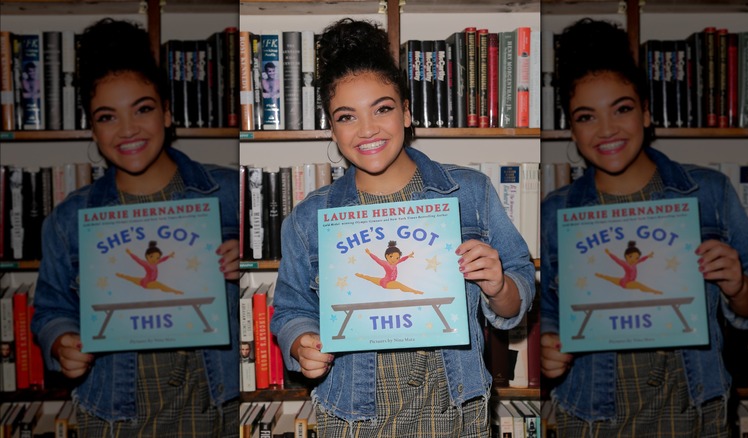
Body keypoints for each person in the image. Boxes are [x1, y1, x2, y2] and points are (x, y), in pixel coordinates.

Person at [269, 18, 536, 436]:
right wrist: (302, 342)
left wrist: (500, 286)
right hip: (353, 420)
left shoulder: (469, 193)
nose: (368, 129)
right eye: (346, 116)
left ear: (407, 112)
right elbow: (291, 309)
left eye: (383, 108)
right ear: (332, 128)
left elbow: (518, 291)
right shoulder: (307, 220)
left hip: (455, 416)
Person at [539, 18, 748, 437]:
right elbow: (555, 316)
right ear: (571, 130)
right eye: (587, 116)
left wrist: (739, 286)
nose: (607, 130)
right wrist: (552, 350)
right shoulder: (555, 212)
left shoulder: (708, 192)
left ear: (647, 112)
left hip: (695, 414)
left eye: (622, 109)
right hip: (593, 419)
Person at [31, 18, 241, 437]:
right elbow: (51, 311)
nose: (127, 130)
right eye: (107, 117)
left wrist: (250, 264)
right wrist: (62, 343)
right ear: (92, 128)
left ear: (167, 111)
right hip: (117, 419)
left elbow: (294, 284)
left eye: (142, 109)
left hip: (218, 413)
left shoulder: (230, 193)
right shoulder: (68, 221)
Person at [355, 241, 423, 295]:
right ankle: (414, 291)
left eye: (397, 258)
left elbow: (402, 259)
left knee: (370, 278)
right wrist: (369, 253)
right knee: (400, 285)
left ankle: (361, 275)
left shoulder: (395, 262)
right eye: (391, 257)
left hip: (383, 280)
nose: (394, 260)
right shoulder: (385, 264)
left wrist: (408, 256)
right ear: (387, 256)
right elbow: (377, 259)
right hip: (387, 283)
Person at [595, 241, 661, 295]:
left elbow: (641, 260)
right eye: (634, 257)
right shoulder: (625, 264)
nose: (636, 260)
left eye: (637, 258)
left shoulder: (635, 263)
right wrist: (609, 253)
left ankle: (601, 276)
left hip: (623, 280)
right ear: (627, 256)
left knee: (610, 278)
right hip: (627, 283)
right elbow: (617, 260)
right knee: (639, 286)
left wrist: (647, 256)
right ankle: (654, 291)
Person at [116, 241, 183, 294]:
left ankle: (122, 276)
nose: (154, 259)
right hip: (148, 283)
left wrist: (169, 256)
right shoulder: (146, 264)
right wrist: (130, 253)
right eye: (151, 257)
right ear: (147, 256)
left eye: (157, 258)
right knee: (161, 286)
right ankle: (174, 291)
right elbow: (137, 260)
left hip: (144, 280)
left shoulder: (156, 262)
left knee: (131, 278)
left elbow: (162, 259)